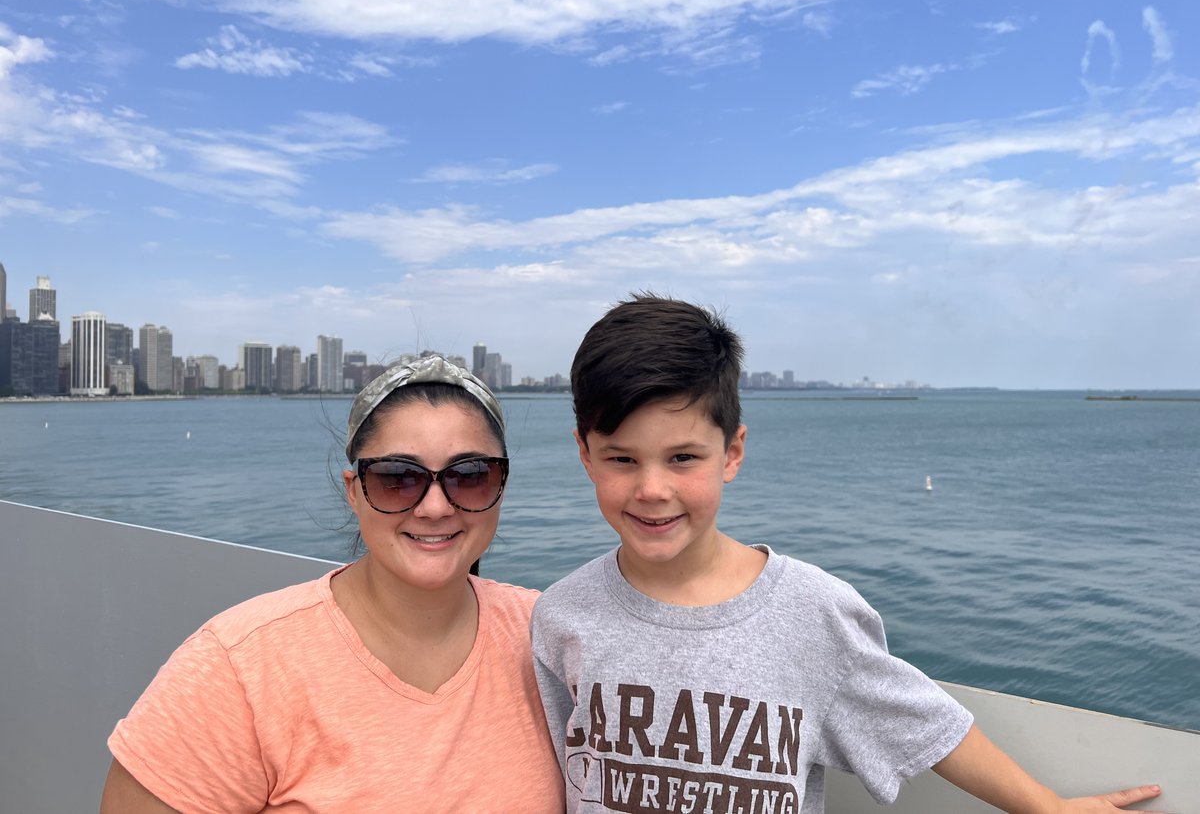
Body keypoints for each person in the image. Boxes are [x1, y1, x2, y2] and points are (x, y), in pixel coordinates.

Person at [531, 294, 1165, 814]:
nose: (652, 489)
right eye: (621, 459)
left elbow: (926, 726)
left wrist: (1046, 808)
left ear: (732, 453)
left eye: (683, 458)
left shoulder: (813, 611)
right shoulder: (562, 615)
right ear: (586, 454)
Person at [100, 354, 564, 813]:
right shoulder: (240, 665)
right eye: (398, 478)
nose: (435, 507)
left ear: (501, 485)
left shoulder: (552, 638)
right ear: (353, 490)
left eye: (470, 476)